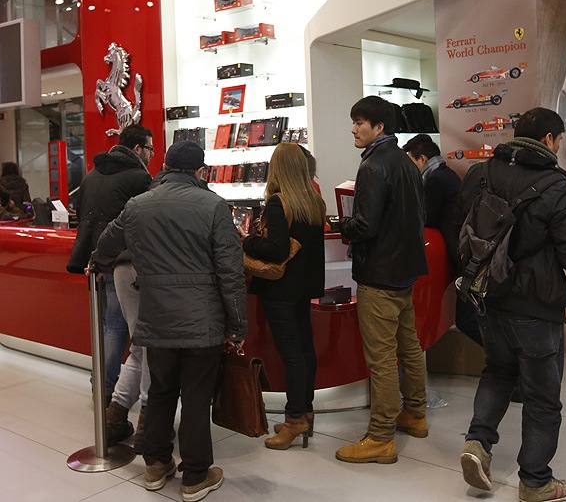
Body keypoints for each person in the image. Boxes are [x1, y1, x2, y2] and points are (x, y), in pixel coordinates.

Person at [91, 140, 247, 502]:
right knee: (196, 398)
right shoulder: (214, 206)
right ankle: (195, 476)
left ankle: (156, 465)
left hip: (156, 318)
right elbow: (231, 272)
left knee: (160, 392)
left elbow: (107, 242)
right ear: (199, 171)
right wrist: (238, 325)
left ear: (165, 168)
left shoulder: (138, 205)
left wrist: (97, 262)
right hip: (202, 322)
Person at [456, 107, 566, 502]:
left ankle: (478, 442)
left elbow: (462, 227)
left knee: (498, 371)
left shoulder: (481, 173)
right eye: (560, 140)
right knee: (542, 397)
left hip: (488, 296)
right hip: (536, 304)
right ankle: (535, 481)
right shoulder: (556, 186)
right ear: (549, 139)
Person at [335, 95, 429, 465]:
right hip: (404, 271)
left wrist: (341, 225)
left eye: (360, 122)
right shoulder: (407, 162)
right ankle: (416, 413)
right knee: (410, 347)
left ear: (379, 127)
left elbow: (365, 225)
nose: (353, 129)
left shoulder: (373, 165)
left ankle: (380, 436)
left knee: (381, 358)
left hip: (379, 273)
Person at [241, 143, 326, 450]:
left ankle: (295, 419)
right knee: (304, 349)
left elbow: (276, 251)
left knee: (292, 354)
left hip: (280, 288)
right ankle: (305, 411)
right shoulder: (313, 201)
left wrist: (248, 241)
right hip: (303, 287)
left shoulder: (279, 203)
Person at [66, 125, 154, 415]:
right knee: (132, 335)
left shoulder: (90, 175)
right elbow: (145, 222)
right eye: (150, 149)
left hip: (97, 262)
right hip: (126, 262)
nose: (152, 155)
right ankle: (120, 396)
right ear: (137, 149)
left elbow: (82, 216)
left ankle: (102, 389)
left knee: (108, 327)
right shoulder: (139, 177)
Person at [403, 133, 482, 347]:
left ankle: (505, 358)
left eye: (411, 162)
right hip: (464, 253)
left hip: (459, 255)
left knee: (467, 320)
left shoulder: (436, 180)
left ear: (422, 159)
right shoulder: (446, 174)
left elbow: (428, 217)